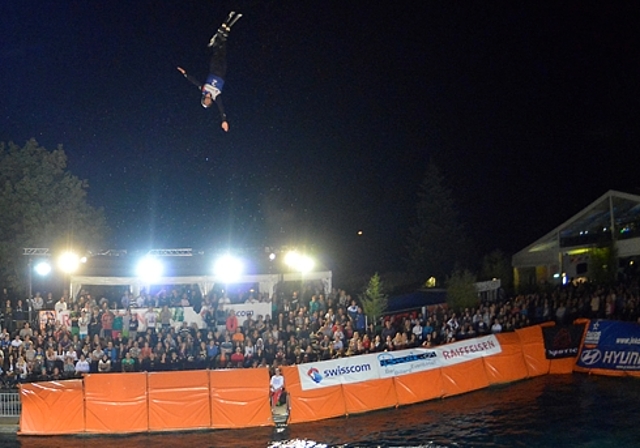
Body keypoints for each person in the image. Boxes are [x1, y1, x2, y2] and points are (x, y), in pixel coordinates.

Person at [177, 11, 242, 132]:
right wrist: (224, 120)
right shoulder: (216, 96)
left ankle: (216, 41)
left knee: (217, 53)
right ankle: (222, 37)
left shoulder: (203, 89)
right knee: (223, 53)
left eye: (205, 101)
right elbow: (221, 108)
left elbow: (194, 81)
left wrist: (185, 73)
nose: (208, 100)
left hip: (214, 70)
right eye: (208, 102)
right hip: (222, 73)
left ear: (203, 99)